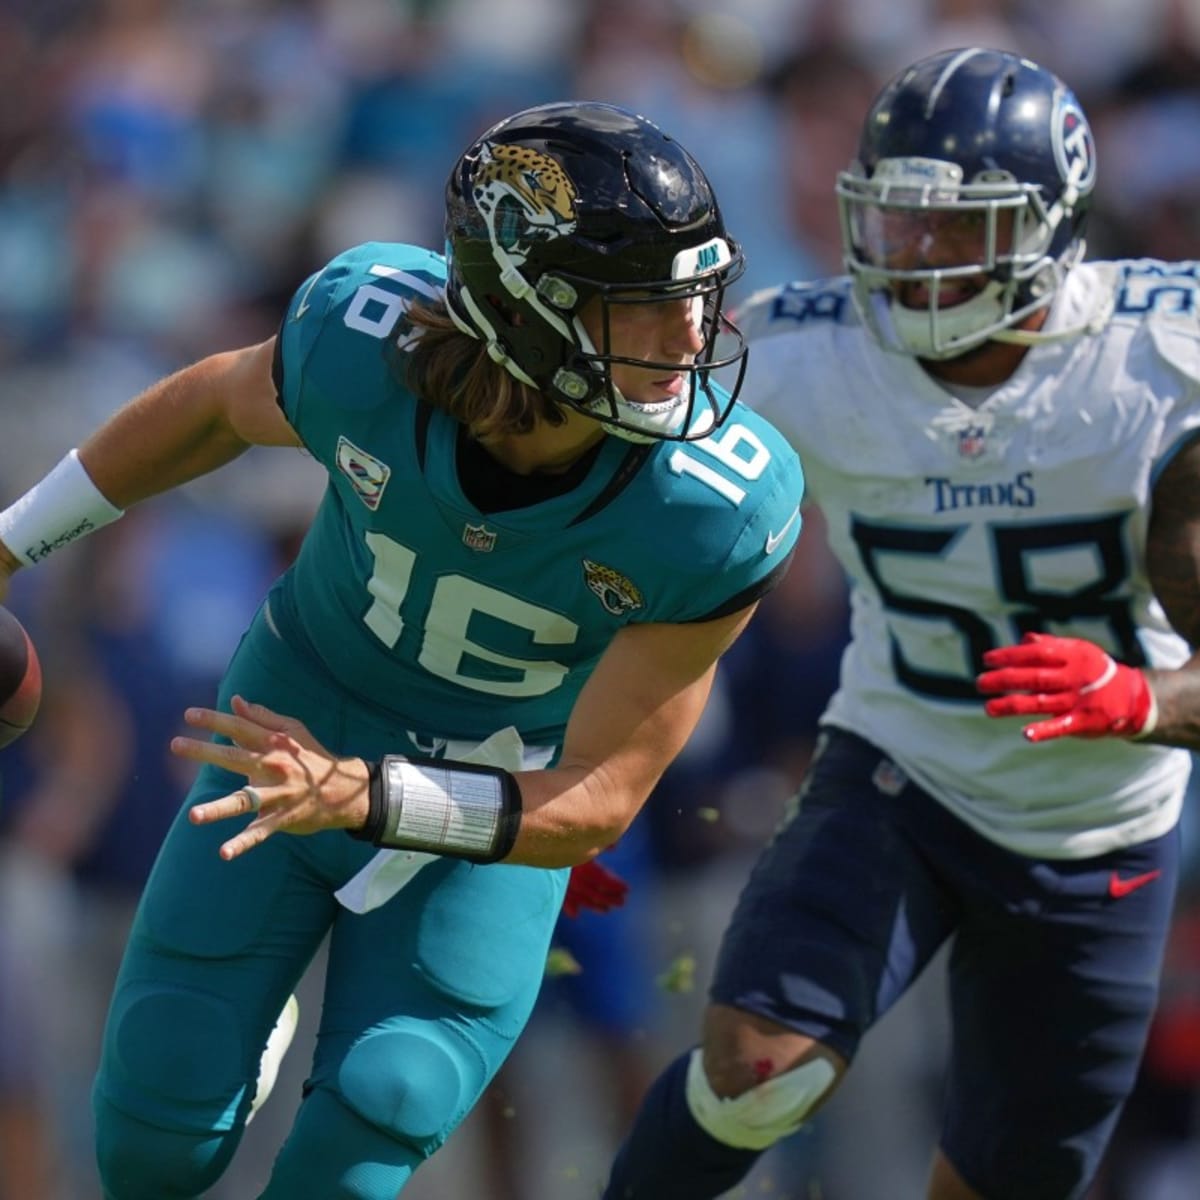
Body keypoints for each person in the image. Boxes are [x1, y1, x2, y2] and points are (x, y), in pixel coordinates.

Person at [0, 100, 803, 1200]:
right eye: (648, 310)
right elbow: (215, 408)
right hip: (301, 709)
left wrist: (371, 795)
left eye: (696, 300)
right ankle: (246, 1028)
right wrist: (8, 547)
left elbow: (602, 796)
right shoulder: (365, 343)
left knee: (389, 1103)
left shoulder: (711, 508)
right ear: (528, 312)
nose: (693, 341)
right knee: (156, 1123)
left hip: (499, 784)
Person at [602, 46, 1200, 1200]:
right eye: (896, 224)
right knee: (756, 1070)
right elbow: (590, 511)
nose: (912, 260)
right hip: (900, 774)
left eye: (952, 229)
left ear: (1048, 228)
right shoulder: (803, 351)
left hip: (1101, 833)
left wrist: (1139, 696)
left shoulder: (1157, 365)